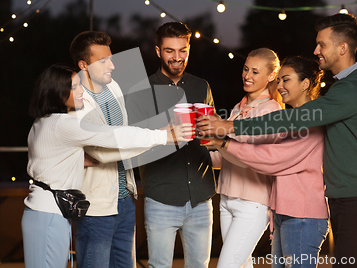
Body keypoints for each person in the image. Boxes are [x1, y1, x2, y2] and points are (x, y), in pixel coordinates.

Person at [198, 13, 357, 268]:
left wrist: (228, 129)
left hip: (355, 197)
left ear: (342, 47)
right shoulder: (345, 87)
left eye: (322, 44)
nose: (316, 50)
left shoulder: (351, 89)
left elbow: (287, 131)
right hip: (344, 196)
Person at [22, 64, 193, 268]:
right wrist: (163, 136)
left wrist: (78, 159)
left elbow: (48, 159)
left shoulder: (43, 122)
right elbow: (113, 135)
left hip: (47, 212)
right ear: (57, 92)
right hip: (49, 215)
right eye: (75, 87)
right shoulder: (63, 124)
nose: (81, 92)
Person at [203, 56, 328, 268]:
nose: (279, 86)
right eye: (279, 80)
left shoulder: (309, 122)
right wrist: (205, 145)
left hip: (302, 215)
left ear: (305, 84)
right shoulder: (288, 118)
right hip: (283, 211)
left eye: (285, 80)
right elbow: (240, 158)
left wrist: (222, 142)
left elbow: (270, 159)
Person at [126, 22, 216, 268]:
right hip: (161, 199)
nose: (177, 57)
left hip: (201, 197)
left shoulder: (201, 86)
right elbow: (133, 144)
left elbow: (211, 137)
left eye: (182, 50)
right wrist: (163, 133)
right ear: (158, 51)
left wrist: (214, 131)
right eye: (169, 51)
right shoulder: (140, 91)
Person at [70, 31, 140, 268]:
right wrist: (153, 139)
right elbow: (100, 151)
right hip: (94, 205)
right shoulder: (76, 100)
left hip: (124, 199)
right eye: (103, 61)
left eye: (110, 58)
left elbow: (123, 133)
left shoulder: (115, 87)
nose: (111, 65)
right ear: (84, 65)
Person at [209, 48, 281, 268]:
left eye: (255, 72)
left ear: (270, 76)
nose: (247, 76)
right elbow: (224, 160)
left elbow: (251, 158)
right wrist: (194, 144)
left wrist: (218, 142)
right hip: (227, 199)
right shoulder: (238, 109)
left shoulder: (271, 110)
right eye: (246, 69)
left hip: (252, 204)